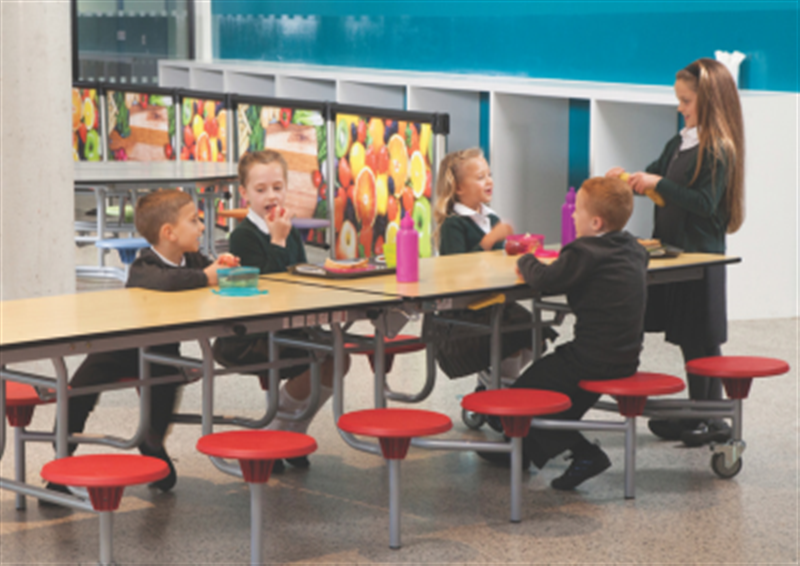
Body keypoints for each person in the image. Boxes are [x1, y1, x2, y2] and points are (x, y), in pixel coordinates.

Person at [44, 190, 234, 501]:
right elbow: (169, 282)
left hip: (161, 350)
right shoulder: (145, 265)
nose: (202, 227)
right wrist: (206, 277)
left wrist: (223, 267)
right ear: (168, 233)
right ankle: (61, 460)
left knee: (166, 385)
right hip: (118, 348)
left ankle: (152, 441)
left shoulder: (194, 260)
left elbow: (207, 275)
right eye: (194, 220)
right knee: (77, 392)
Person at [606, 58, 745, 447]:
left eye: (686, 101)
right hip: (677, 255)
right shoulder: (680, 141)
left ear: (710, 101)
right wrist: (627, 178)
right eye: (679, 100)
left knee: (704, 336)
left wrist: (659, 183)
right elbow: (651, 177)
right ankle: (697, 413)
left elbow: (702, 202)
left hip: (702, 256)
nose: (680, 108)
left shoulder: (719, 148)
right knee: (687, 334)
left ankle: (712, 418)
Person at [479, 176, 648, 491]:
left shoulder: (584, 252)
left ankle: (585, 454)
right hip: (625, 357)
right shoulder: (634, 249)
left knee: (524, 393)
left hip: (589, 358)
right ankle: (521, 449)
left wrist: (525, 258)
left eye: (578, 211)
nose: (572, 215)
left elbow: (544, 280)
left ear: (595, 222)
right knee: (559, 397)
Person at [213, 149, 350, 472]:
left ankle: (293, 432)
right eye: (261, 190)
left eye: (277, 187)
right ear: (244, 194)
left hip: (288, 323)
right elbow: (265, 289)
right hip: (250, 333)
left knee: (339, 357)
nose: (271, 196)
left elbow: (296, 274)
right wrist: (276, 241)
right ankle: (274, 433)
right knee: (320, 355)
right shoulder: (244, 236)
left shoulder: (286, 227)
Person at [423, 148, 536, 383]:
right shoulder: (453, 225)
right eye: (480, 177)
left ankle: (494, 384)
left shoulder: (490, 219)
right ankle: (500, 393)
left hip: (493, 303)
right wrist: (490, 240)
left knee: (535, 335)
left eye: (489, 174)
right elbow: (458, 271)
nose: (489, 181)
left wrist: (512, 253)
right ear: (459, 188)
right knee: (511, 339)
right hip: (464, 312)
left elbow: (494, 264)